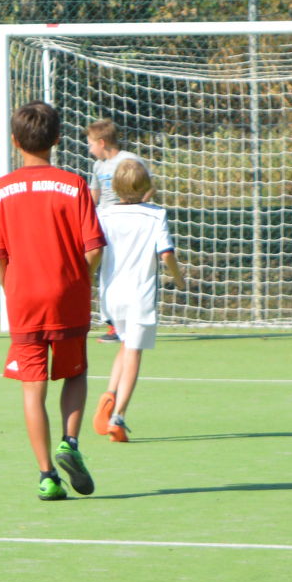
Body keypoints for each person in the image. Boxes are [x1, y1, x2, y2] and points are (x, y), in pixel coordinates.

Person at [0, 100, 106, 501]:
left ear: (16, 141)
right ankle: (69, 443)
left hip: (24, 299)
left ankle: (46, 476)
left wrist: (12, 288)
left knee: (32, 388)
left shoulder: (1, 190)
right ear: (56, 138)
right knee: (75, 373)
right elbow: (93, 249)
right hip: (66, 294)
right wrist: (78, 283)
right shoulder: (73, 186)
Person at [91, 158, 182, 442]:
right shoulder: (156, 214)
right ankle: (118, 416)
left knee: (125, 344)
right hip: (139, 295)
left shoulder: (102, 213)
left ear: (115, 187)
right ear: (146, 187)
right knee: (134, 352)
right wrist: (179, 278)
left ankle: (110, 392)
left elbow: (94, 249)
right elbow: (166, 253)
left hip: (112, 295)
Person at [86, 119, 134, 340]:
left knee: (125, 271)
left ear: (102, 142)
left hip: (126, 225)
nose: (89, 148)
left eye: (90, 143)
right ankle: (113, 324)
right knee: (106, 272)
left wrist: (134, 207)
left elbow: (147, 186)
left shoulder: (129, 161)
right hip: (104, 224)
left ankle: (130, 319)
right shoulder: (98, 166)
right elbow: (93, 197)